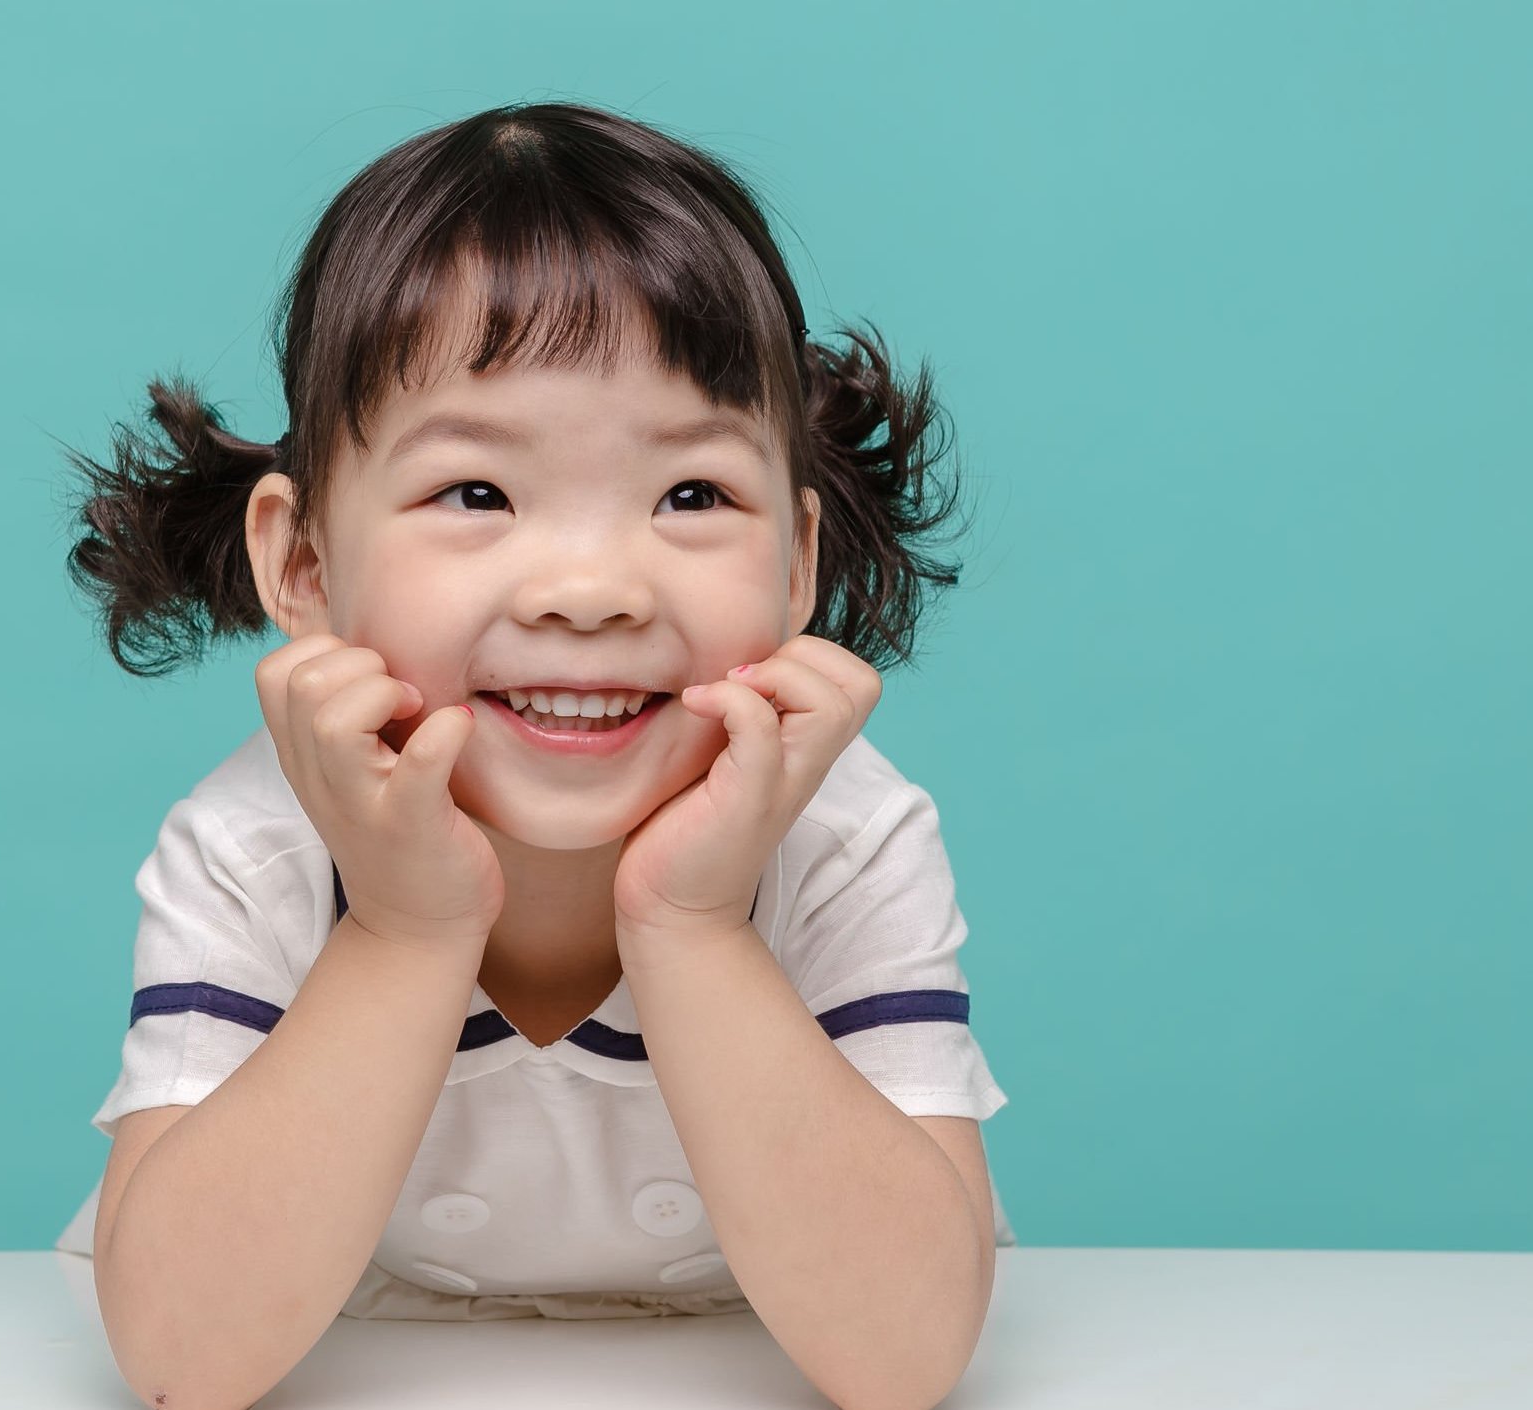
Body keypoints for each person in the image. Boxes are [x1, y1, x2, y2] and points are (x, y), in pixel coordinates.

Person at [52, 100, 1012, 1409]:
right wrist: (398, 928)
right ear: (306, 561)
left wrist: (695, 924)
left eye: (691, 495)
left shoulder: (844, 838)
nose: (589, 588)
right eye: (476, 494)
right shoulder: (258, 848)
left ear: (800, 560)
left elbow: (904, 1359)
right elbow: (181, 1359)